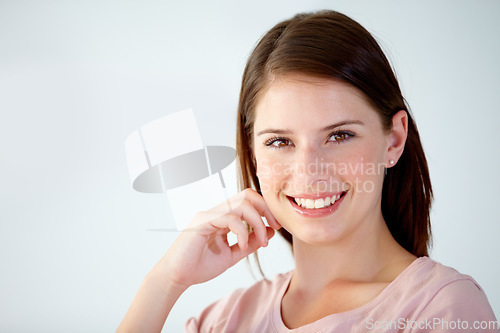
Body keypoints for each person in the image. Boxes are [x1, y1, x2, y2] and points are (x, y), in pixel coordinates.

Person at [118, 10, 498, 332]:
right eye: (280, 142)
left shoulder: (442, 311)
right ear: (252, 155)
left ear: (393, 140)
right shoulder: (223, 320)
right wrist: (165, 281)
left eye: (340, 135)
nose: (309, 171)